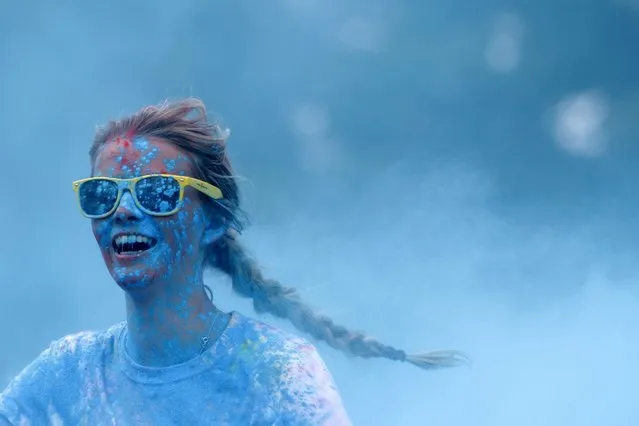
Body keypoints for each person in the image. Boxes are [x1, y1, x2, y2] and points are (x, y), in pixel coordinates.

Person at [0, 98, 468, 425]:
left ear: (212, 223)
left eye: (158, 193)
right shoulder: (69, 371)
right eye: (102, 194)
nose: (122, 210)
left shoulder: (275, 371)